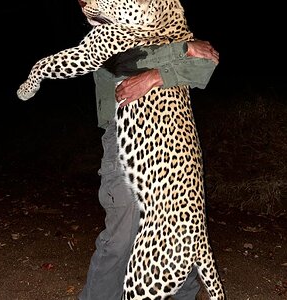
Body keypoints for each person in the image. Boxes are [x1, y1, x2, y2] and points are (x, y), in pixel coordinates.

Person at [78, 40, 219, 300]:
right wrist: (182, 51)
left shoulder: (163, 18)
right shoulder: (105, 27)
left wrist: (157, 76)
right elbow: (117, 61)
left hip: (174, 136)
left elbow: (206, 65)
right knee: (122, 236)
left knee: (180, 231)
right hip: (129, 134)